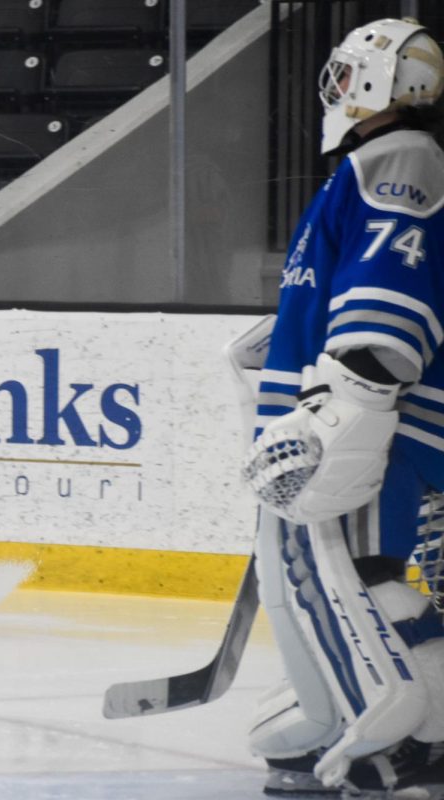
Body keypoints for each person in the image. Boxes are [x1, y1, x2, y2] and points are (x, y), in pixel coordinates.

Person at [236, 17, 444, 798]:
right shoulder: (369, 165)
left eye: (345, 73)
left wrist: (344, 415)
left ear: (375, 82)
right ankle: (409, 735)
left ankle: (398, 744)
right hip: (352, 423)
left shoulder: (399, 158)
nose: (334, 90)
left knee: (357, 579)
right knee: (355, 578)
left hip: (370, 431)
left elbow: (387, 302)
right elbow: (328, 293)